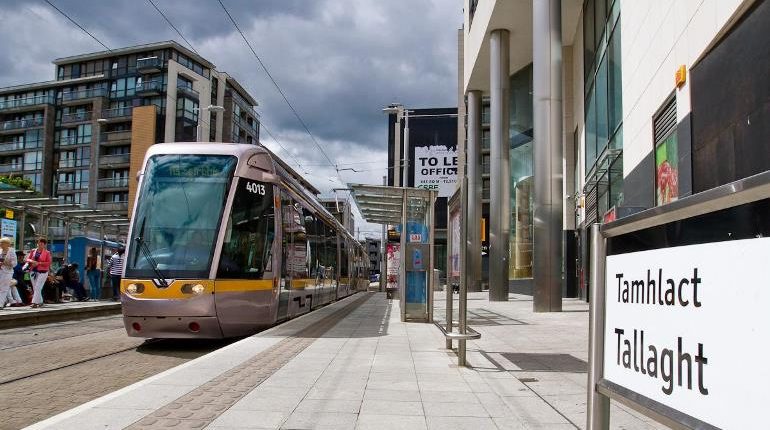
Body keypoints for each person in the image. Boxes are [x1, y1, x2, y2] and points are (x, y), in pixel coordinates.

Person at [26, 238, 52, 308]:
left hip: (42, 272)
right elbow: (27, 259)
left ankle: (34, 302)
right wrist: (32, 262)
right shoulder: (33, 251)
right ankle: (40, 301)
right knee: (35, 287)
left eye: (41, 244)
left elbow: (49, 263)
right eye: (38, 243)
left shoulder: (47, 252)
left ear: (44, 245)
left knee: (38, 287)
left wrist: (39, 263)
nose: (39, 245)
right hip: (33, 271)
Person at [0, 237, 18, 309]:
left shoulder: (12, 251)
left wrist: (6, 263)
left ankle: (0, 304)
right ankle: (4, 302)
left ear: (7, 244)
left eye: (2, 243)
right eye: (0, 243)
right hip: (0, 271)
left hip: (7, 272)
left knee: (3, 288)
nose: (0, 244)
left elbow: (14, 264)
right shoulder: (0, 251)